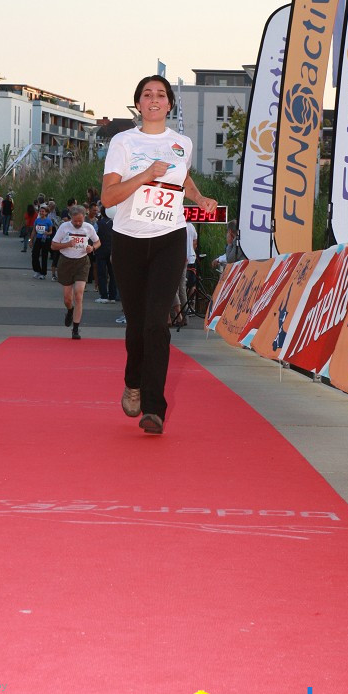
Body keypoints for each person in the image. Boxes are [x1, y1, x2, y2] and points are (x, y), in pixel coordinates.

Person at [101, 75, 216, 434]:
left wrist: (198, 198)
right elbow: (108, 198)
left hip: (169, 236)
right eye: (147, 94)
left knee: (157, 322)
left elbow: (183, 178)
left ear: (169, 104)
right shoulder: (123, 141)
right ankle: (132, 382)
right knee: (137, 326)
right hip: (128, 240)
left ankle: (154, 407)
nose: (154, 99)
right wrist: (146, 177)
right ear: (138, 103)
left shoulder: (182, 142)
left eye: (161, 95)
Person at [51, 205, 100, 339]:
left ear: (84, 217)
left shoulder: (88, 228)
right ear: (71, 218)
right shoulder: (64, 227)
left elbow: (98, 242)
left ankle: (76, 329)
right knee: (68, 298)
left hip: (82, 262)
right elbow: (53, 245)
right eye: (75, 221)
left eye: (80, 221)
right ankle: (69, 310)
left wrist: (92, 247)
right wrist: (67, 244)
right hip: (66, 261)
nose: (77, 223)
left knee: (78, 294)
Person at [94, 205, 117, 303]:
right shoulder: (116, 224)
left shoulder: (98, 223)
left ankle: (103, 295)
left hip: (101, 250)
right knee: (113, 275)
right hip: (113, 251)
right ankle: (112, 296)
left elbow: (93, 236)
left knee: (102, 274)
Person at [30, 204, 54, 279]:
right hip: (38, 239)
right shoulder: (37, 220)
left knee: (44, 256)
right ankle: (37, 270)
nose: (41, 213)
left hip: (45, 240)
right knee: (34, 255)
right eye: (40, 211)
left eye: (43, 211)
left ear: (46, 213)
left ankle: (43, 273)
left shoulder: (48, 221)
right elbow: (34, 231)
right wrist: (31, 240)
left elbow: (51, 231)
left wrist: (47, 233)